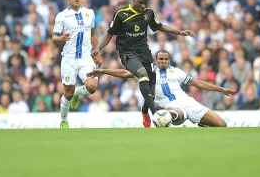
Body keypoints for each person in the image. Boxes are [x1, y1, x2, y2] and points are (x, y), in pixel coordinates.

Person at [92, 0, 194, 128]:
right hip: (127, 52)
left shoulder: (148, 13)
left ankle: (145, 111)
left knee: (152, 89)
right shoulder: (121, 14)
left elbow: (158, 26)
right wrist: (98, 48)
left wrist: (179, 32)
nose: (143, 6)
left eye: (145, 3)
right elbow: (109, 34)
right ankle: (155, 113)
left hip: (144, 52)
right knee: (142, 74)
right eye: (140, 3)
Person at [88, 50, 236, 127]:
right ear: (156, 60)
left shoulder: (177, 72)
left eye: (166, 59)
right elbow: (125, 73)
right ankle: (165, 116)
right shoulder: (147, 71)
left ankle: (200, 122)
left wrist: (221, 90)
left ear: (169, 60)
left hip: (189, 103)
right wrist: (103, 71)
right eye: (161, 59)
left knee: (221, 124)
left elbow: (198, 83)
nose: (163, 61)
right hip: (171, 107)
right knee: (175, 113)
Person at [52, 0, 102, 128]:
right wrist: (61, 37)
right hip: (69, 59)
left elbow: (92, 34)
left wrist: (97, 53)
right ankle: (63, 119)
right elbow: (54, 38)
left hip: (86, 58)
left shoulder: (89, 13)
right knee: (68, 91)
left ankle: (77, 94)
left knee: (92, 87)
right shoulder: (62, 16)